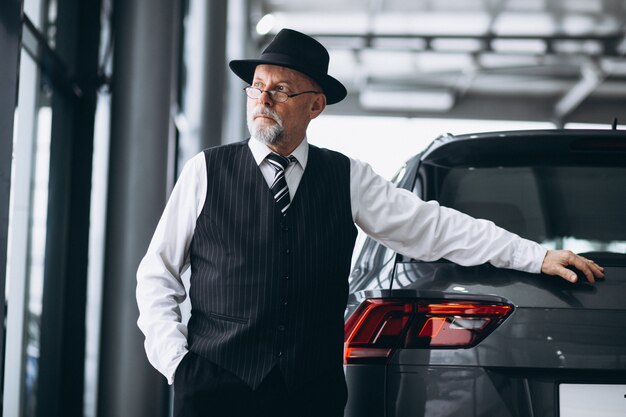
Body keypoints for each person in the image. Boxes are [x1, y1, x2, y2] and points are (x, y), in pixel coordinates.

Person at [136, 28, 604, 417]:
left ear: (314, 106)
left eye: (280, 89)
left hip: (309, 396)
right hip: (214, 389)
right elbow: (157, 274)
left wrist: (536, 255)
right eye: (257, 86)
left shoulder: (347, 177)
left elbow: (433, 227)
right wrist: (177, 363)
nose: (264, 99)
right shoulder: (205, 170)